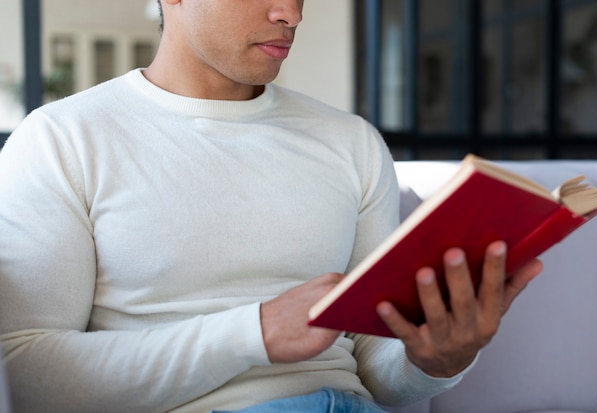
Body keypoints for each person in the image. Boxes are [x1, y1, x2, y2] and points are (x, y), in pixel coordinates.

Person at [0, 1, 542, 412]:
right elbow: (23, 372)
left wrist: (434, 361)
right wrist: (252, 333)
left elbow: (376, 368)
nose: (292, 14)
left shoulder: (350, 141)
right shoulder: (63, 139)